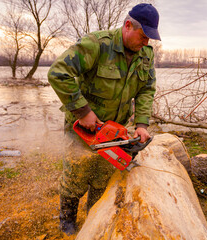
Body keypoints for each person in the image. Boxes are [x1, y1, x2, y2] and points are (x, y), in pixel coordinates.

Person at [47, 3, 161, 235]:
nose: (146, 43)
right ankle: (66, 220)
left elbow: (147, 89)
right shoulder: (97, 45)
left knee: (101, 179)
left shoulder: (145, 56)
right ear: (128, 25)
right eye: (143, 36)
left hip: (115, 130)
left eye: (150, 39)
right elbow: (58, 73)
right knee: (76, 176)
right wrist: (83, 111)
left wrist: (141, 123)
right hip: (84, 126)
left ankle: (95, 218)